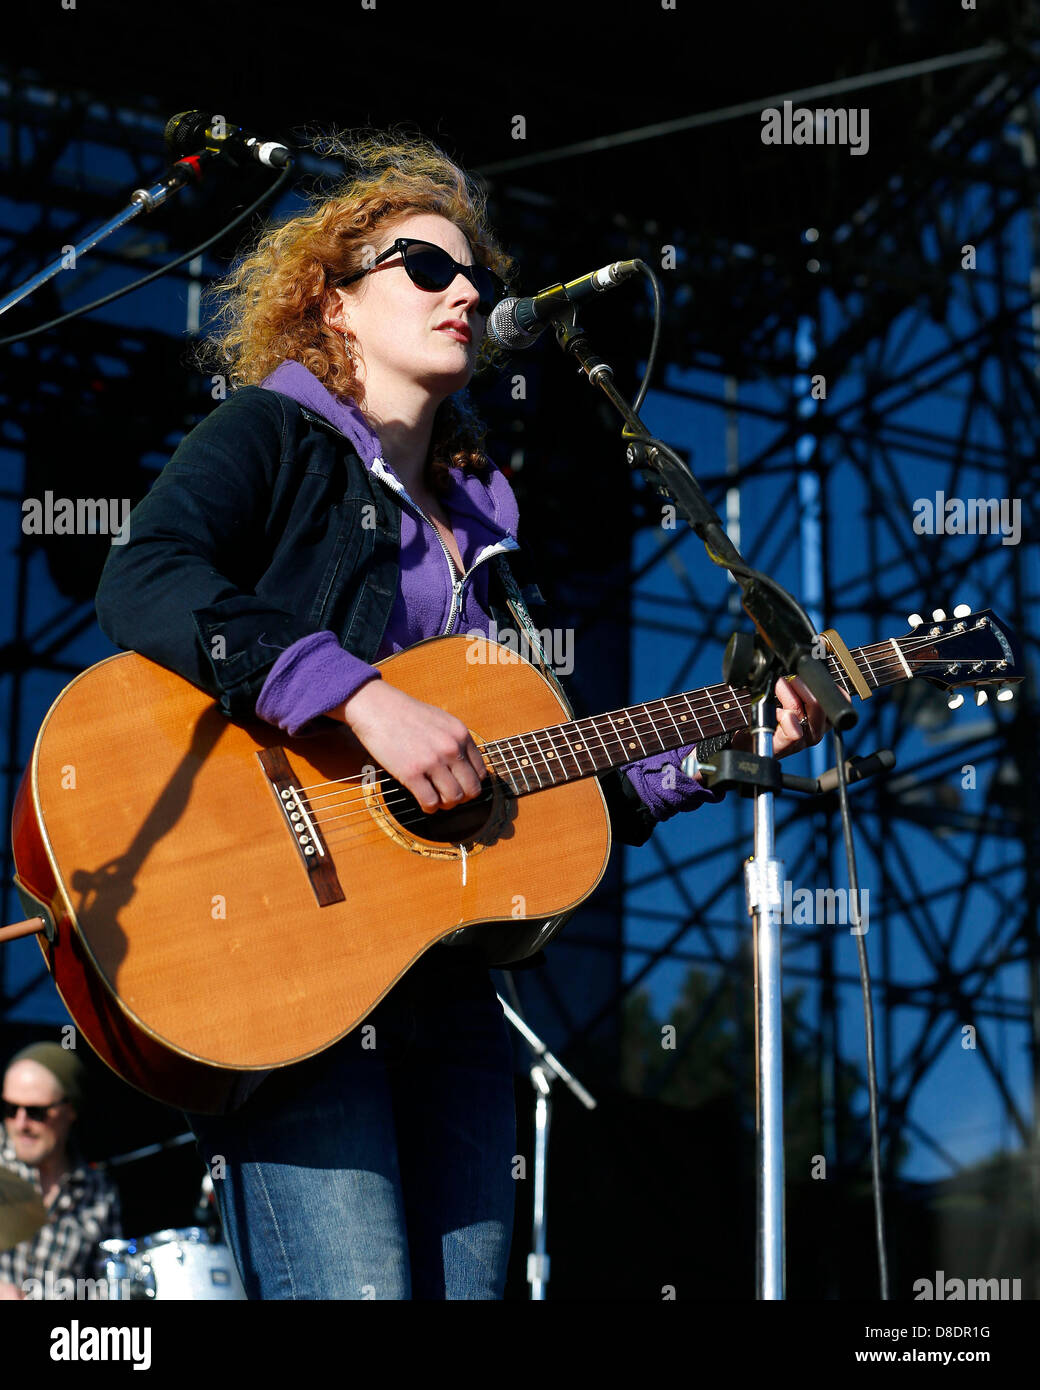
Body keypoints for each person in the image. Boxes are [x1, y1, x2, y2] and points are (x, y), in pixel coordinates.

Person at [93, 130, 827, 1300]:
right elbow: (144, 578)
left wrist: (722, 739)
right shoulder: (271, 436)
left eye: (474, 278)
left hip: (447, 980)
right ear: (332, 303)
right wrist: (360, 696)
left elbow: (554, 782)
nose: (466, 294)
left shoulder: (487, 532)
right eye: (424, 269)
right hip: (291, 948)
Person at [0, 1042, 121, 1300]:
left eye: (36, 1112)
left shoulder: (99, 1193)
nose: (21, 1124)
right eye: (10, 1109)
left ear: (70, 1109)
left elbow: (108, 1289)